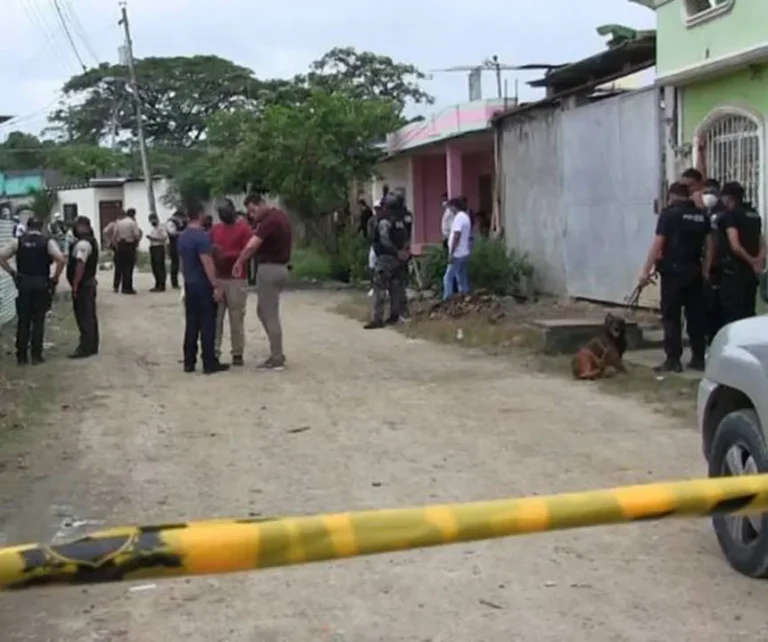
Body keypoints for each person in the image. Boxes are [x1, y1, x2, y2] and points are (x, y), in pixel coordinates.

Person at [638, 182, 709, 374]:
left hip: (673, 273)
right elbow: (709, 245)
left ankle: (673, 359)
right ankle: (698, 358)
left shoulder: (669, 214)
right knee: (695, 316)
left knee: (671, 317)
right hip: (694, 271)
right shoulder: (701, 215)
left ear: (671, 196)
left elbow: (658, 242)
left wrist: (645, 270)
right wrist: (706, 270)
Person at [234, 193, 292, 370]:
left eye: (253, 209)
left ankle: (277, 356)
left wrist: (239, 261)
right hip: (280, 267)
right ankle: (276, 351)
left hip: (269, 268)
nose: (252, 214)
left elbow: (253, 244)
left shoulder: (269, 221)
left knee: (269, 313)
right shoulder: (280, 216)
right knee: (263, 311)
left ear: (262, 204)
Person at [0, 217, 66, 365]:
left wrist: (12, 273)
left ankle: (21, 356)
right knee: (38, 320)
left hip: (24, 284)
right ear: (41, 226)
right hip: (41, 284)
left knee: (23, 321)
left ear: (28, 226)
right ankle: (36, 355)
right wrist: (55, 278)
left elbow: (1, 256)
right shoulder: (47, 241)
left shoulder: (18, 241)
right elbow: (61, 260)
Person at [177, 201, 228, 375]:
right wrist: (216, 285)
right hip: (203, 285)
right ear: (199, 215)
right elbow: (207, 261)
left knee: (191, 324)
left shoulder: (183, 237)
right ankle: (209, 362)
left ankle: (189, 361)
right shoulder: (201, 237)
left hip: (190, 284)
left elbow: (183, 263)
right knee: (207, 324)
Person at [209, 198, 253, 367]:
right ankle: (214, 350)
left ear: (232, 210)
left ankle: (237, 352)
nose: (222, 215)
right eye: (220, 212)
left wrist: (227, 255)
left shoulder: (243, 229)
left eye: (224, 211)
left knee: (236, 318)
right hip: (219, 277)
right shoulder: (215, 229)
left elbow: (248, 251)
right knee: (216, 318)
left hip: (236, 278)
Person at [716, 181, 765, 325]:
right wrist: (758, 261)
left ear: (728, 197)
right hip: (751, 273)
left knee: (733, 314)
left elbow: (735, 245)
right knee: (749, 311)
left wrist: (750, 260)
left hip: (734, 272)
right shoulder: (754, 214)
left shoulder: (730, 215)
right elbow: (761, 240)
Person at [364, 193, 409, 329]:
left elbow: (384, 241)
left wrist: (397, 252)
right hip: (399, 260)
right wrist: (404, 252)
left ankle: (377, 318)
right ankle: (396, 315)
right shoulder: (401, 221)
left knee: (379, 288)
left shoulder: (385, 222)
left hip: (386, 259)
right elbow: (406, 238)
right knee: (397, 288)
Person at [67, 216, 101, 359]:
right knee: (89, 315)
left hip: (84, 285)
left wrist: (75, 285)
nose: (74, 229)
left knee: (84, 315)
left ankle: (85, 347)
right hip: (88, 283)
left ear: (83, 227)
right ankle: (92, 345)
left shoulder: (83, 244)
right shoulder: (89, 241)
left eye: (76, 226)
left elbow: (80, 265)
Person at [701, 179, 726, 344]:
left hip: (720, 266)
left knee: (719, 306)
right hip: (707, 265)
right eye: (706, 192)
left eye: (712, 192)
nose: (708, 196)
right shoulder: (704, 214)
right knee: (707, 306)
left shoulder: (722, 214)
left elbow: (716, 243)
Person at [442, 197, 472, 300]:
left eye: (450, 208)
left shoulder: (459, 218)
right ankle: (465, 292)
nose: (450, 211)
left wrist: (451, 253)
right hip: (464, 252)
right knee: (461, 275)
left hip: (457, 253)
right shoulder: (465, 216)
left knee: (448, 277)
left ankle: (447, 297)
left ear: (455, 207)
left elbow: (456, 235)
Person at [113, 208, 142, 294]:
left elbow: (115, 235)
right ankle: (127, 287)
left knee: (120, 266)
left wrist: (116, 246)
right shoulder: (132, 223)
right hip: (129, 246)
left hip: (120, 246)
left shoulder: (119, 223)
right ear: (133, 214)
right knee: (128, 267)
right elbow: (136, 235)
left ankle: (119, 286)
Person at [146, 213, 168, 292]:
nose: (152, 221)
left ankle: (162, 285)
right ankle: (157, 283)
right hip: (153, 248)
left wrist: (153, 238)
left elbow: (164, 238)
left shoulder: (161, 228)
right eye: (151, 220)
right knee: (154, 267)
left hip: (159, 247)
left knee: (159, 266)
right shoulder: (153, 229)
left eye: (153, 219)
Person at [166, 210, 187, 290]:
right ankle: (174, 283)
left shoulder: (182, 222)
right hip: (174, 244)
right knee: (175, 264)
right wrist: (183, 233)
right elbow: (172, 233)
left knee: (182, 263)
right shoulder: (171, 222)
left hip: (180, 244)